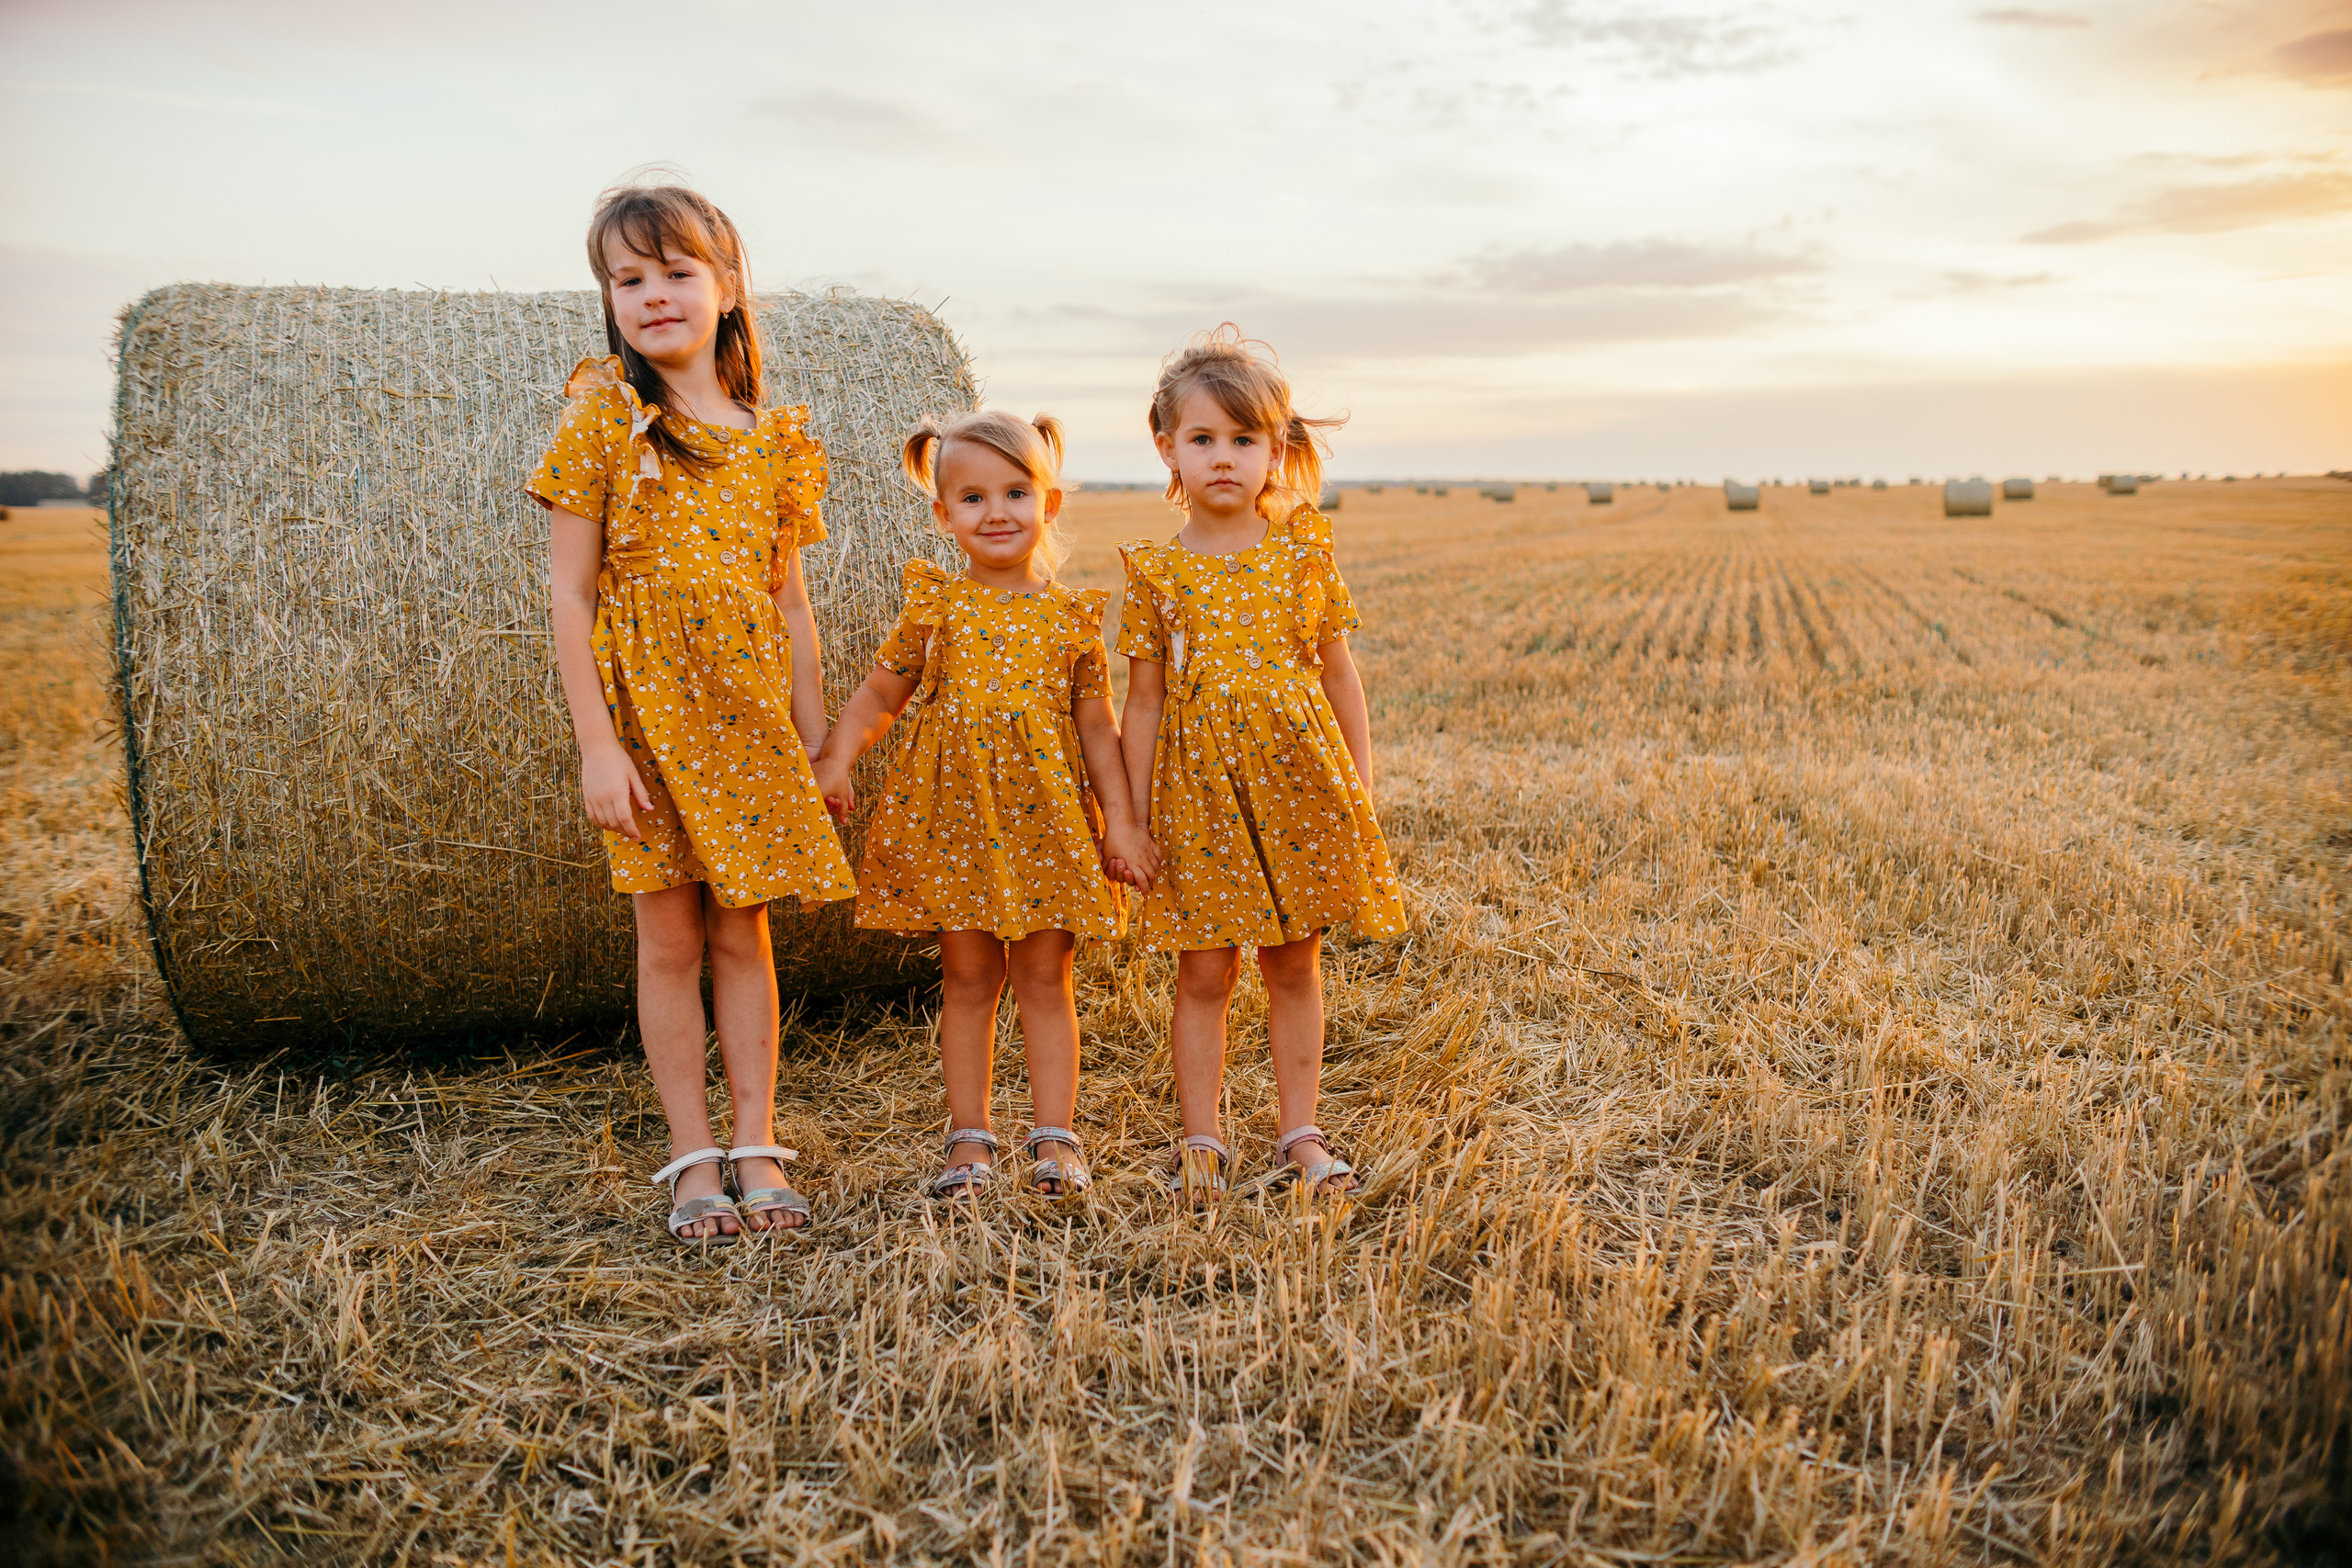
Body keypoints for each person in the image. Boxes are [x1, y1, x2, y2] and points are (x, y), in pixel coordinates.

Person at [531, 180, 854, 1244]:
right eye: (630, 279)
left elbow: (790, 600)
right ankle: (691, 1160)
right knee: (667, 941)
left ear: (727, 290)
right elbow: (568, 594)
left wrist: (815, 738)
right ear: (609, 301)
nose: (654, 294)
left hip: (749, 722)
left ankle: (756, 1143)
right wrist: (596, 745)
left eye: (677, 272)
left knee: (742, 935)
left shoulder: (770, 436)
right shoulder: (605, 419)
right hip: (647, 722)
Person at [812, 412, 1157, 1199]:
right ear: (943, 515)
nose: (995, 512)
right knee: (967, 978)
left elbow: (1098, 728)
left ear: (1051, 503)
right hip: (957, 823)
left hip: (1048, 825)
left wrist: (1124, 821)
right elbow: (879, 694)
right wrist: (836, 755)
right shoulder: (936, 606)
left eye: (1014, 492)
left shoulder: (1071, 617)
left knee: (1046, 977)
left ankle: (1055, 1137)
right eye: (972, 498)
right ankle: (968, 1139)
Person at [1115, 325, 1405, 1201]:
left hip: (1299, 788)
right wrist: (1128, 815)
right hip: (1197, 797)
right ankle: (1201, 1136)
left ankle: (1299, 1132)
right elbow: (1144, 702)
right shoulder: (1158, 573)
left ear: (1275, 450)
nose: (1224, 458)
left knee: (1292, 962)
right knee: (1205, 970)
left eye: (1244, 440)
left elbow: (1339, 674)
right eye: (1202, 439)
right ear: (1166, 446)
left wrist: (1358, 785)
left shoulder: (1301, 552)